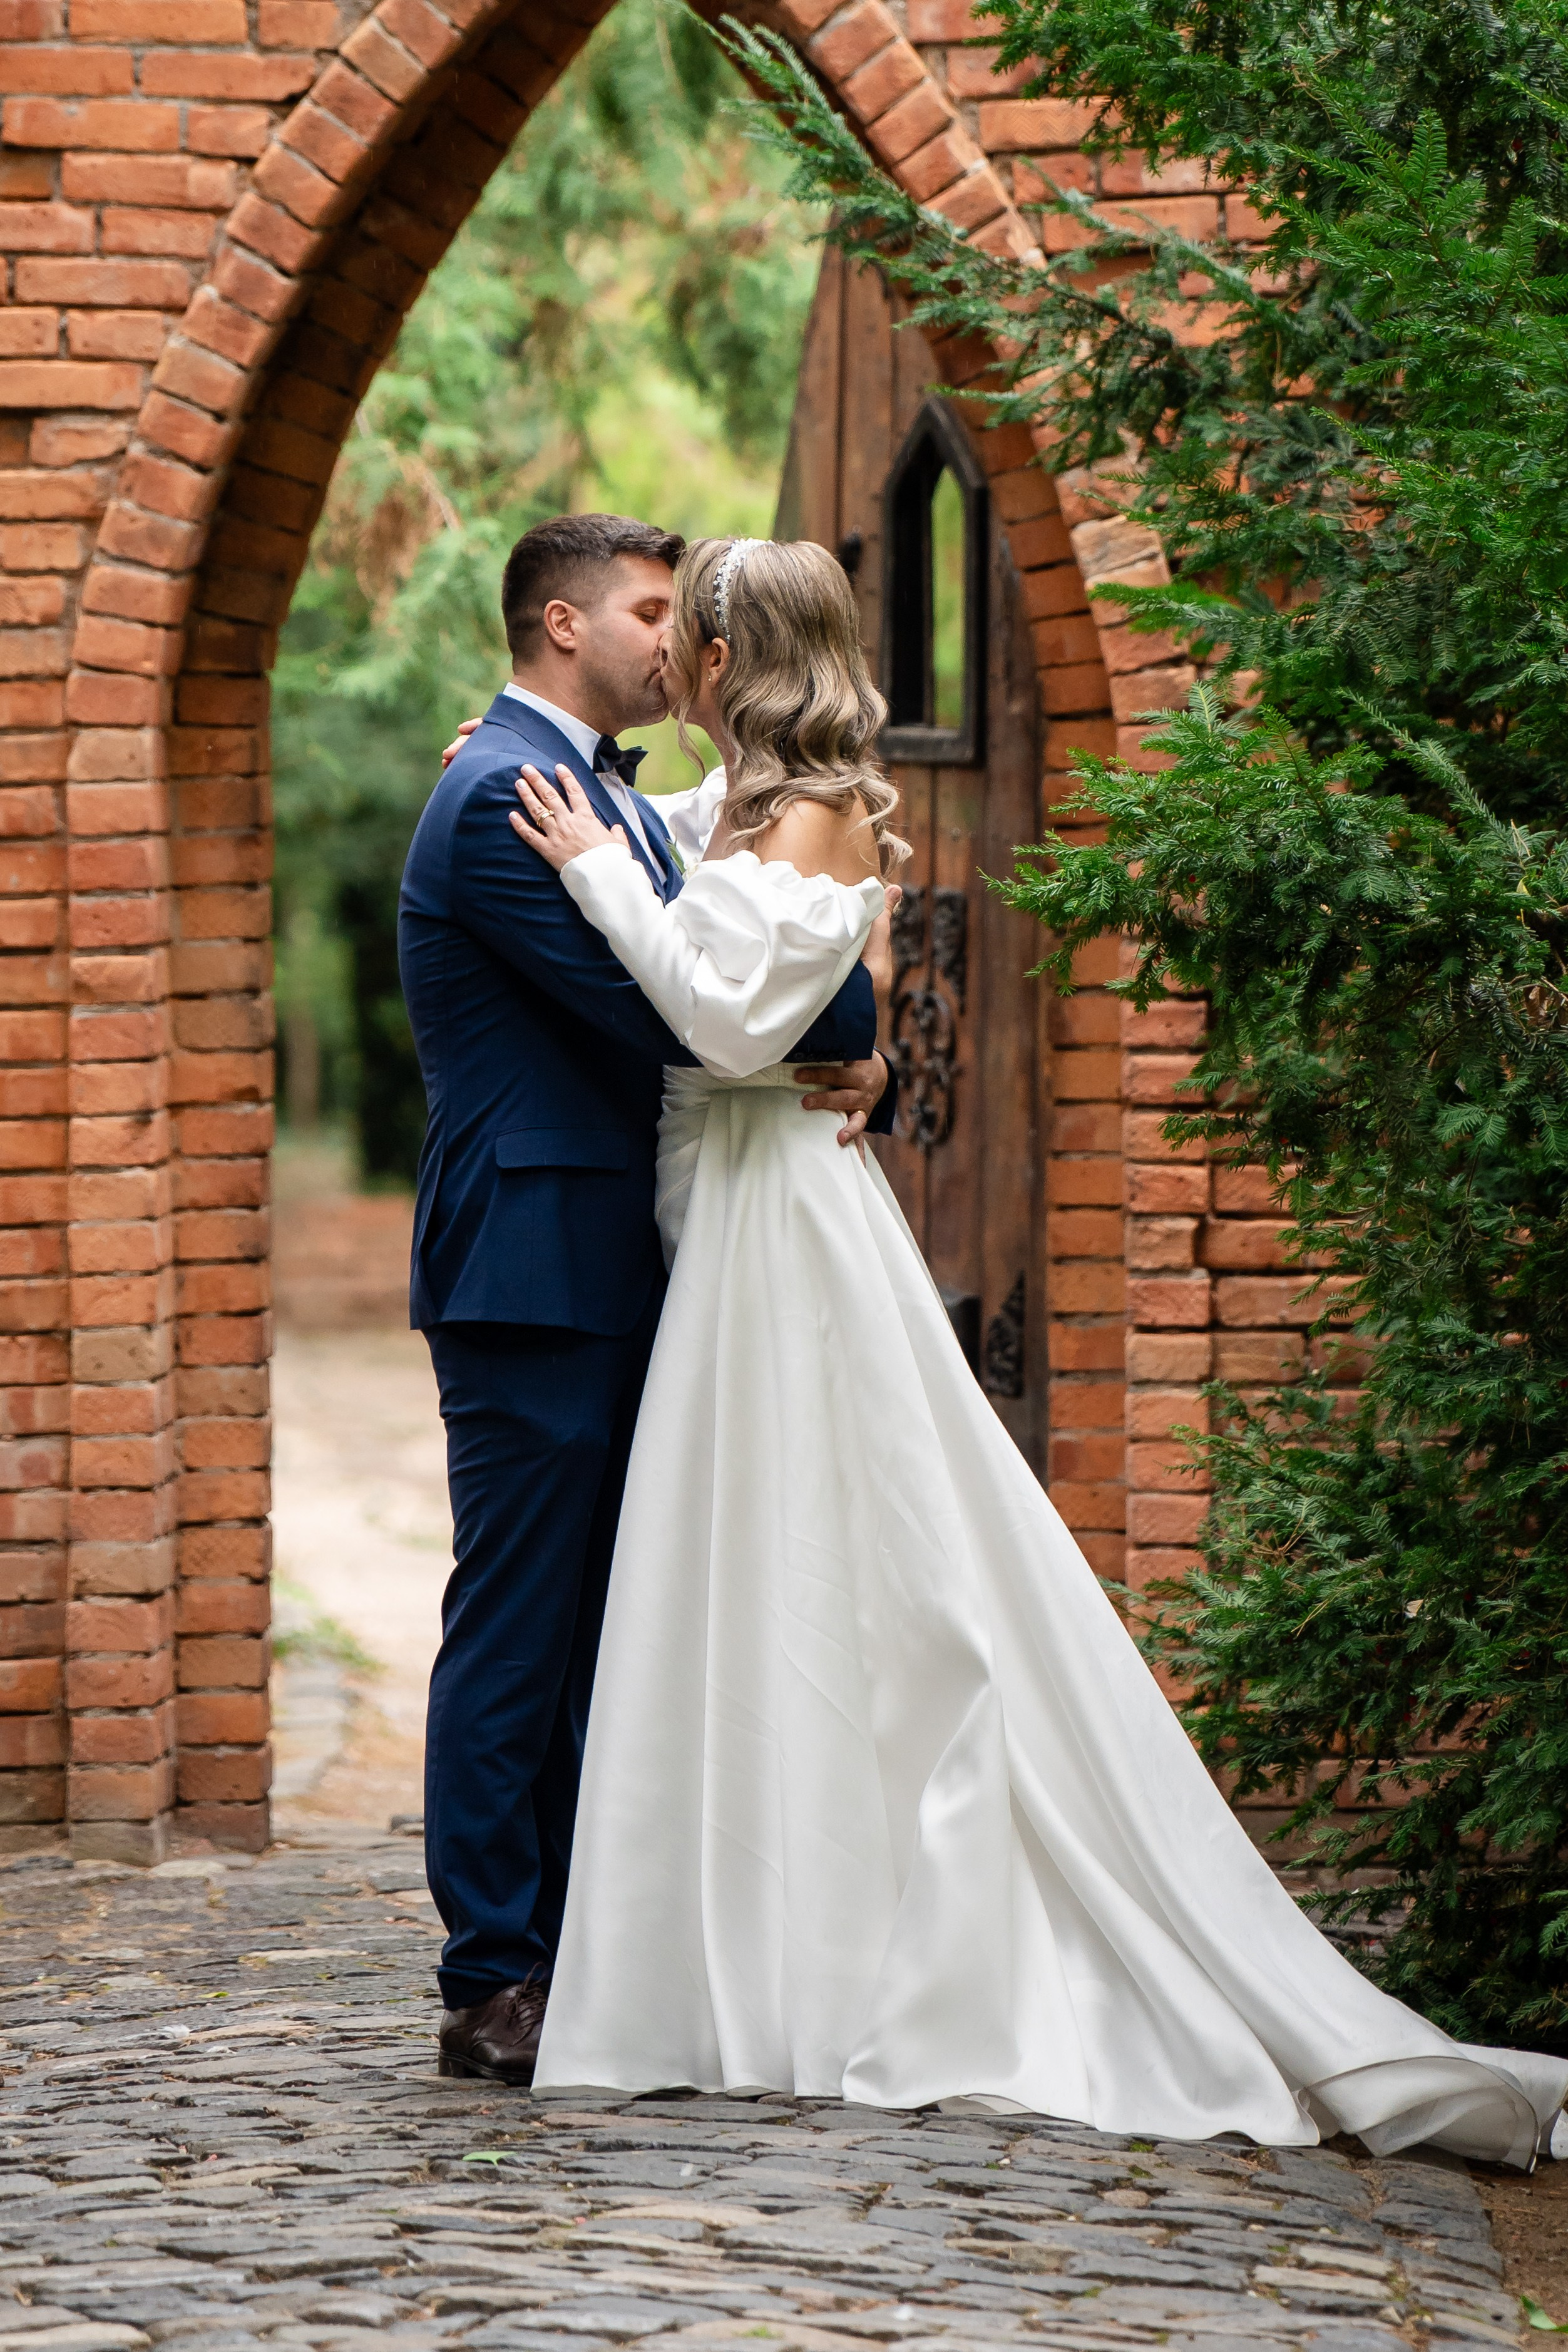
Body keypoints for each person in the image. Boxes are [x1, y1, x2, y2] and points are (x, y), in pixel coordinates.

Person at [502, 531, 1568, 2166]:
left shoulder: (829, 807)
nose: (676, 663)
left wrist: (586, 861)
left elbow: (722, 1021)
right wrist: (545, 781)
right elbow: (701, 915)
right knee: (740, 1564)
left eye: (691, 633)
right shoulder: (717, 806)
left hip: (786, 1222)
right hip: (710, 1213)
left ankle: (873, 1957)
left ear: (735, 652)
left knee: (867, 1570)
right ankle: (723, 1968)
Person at [397, 514, 897, 2088]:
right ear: (561, 625)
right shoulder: (505, 801)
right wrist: (852, 1010)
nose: (671, 637)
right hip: (533, 1268)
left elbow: (739, 932)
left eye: (686, 615)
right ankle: (493, 1976)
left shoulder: (609, 797)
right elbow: (672, 1010)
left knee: (598, 1621)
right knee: (518, 1621)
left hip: (621, 1253)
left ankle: (577, 1945)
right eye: (644, 610)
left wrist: (850, 1009)